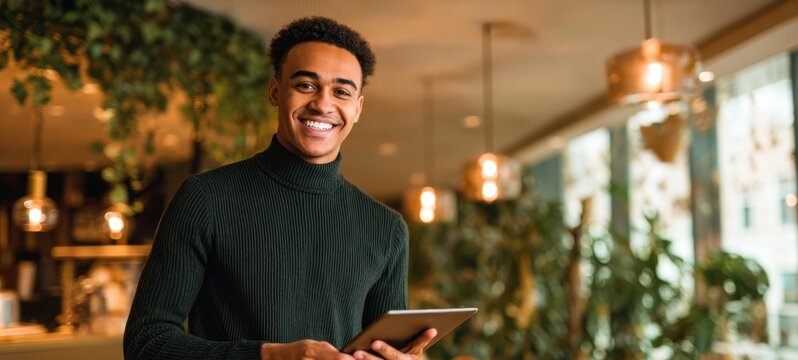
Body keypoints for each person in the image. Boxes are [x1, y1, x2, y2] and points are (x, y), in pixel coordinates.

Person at [123, 16, 436, 360]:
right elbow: (146, 342)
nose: (323, 104)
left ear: (357, 108)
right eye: (306, 85)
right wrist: (269, 355)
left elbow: (382, 351)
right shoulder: (205, 198)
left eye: (342, 92)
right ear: (275, 91)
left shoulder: (386, 229)